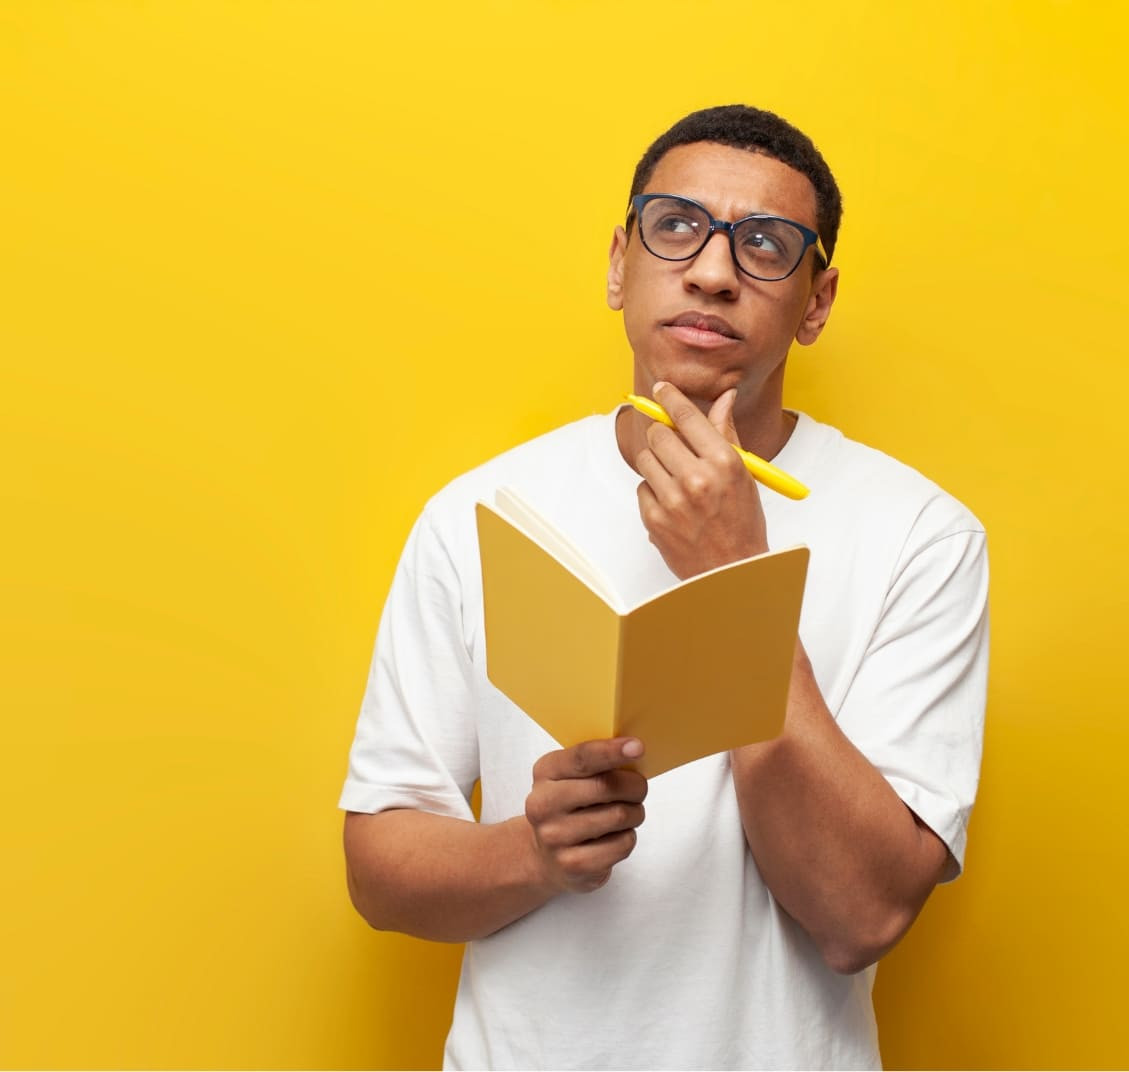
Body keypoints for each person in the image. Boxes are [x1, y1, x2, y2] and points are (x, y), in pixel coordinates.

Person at [339, 104, 988, 1070]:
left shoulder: (923, 536)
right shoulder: (481, 512)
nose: (714, 270)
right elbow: (380, 868)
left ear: (816, 301)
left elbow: (861, 915)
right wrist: (533, 852)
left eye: (765, 244)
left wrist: (735, 576)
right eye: (676, 225)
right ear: (618, 263)